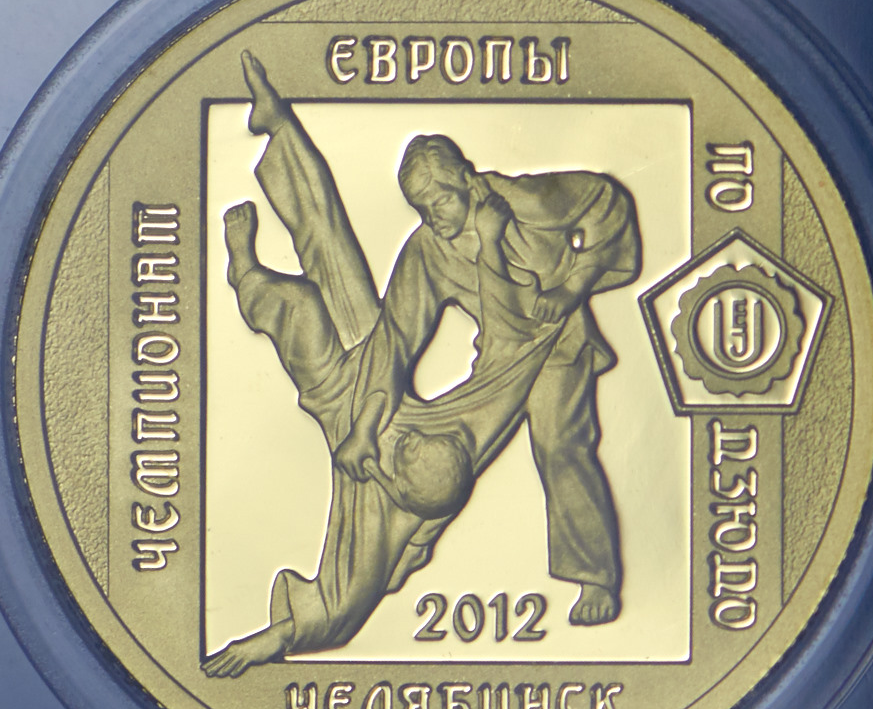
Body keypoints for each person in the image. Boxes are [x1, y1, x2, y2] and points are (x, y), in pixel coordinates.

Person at [203, 53, 568, 675]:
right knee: (331, 242)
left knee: (298, 305)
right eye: (417, 442)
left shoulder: (380, 515)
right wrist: (553, 307)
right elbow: (503, 365)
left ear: (395, 485)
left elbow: (341, 612)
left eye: (402, 455)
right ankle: (278, 125)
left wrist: (267, 642)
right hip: (377, 364)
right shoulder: (465, 429)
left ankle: (245, 275)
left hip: (336, 395)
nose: (403, 441)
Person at [335, 134, 642, 626]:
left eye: (439, 201)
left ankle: (595, 577)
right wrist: (364, 428)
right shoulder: (427, 248)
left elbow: (607, 202)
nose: (433, 217)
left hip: (556, 348)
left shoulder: (523, 202)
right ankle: (400, 551)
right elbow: (396, 335)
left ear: (465, 180)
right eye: (421, 208)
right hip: (498, 363)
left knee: (559, 445)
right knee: (438, 457)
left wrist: (572, 286)